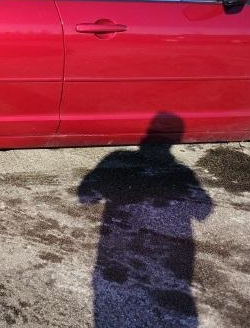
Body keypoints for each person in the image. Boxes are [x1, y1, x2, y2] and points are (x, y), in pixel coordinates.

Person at [78, 112, 212, 327]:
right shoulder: (183, 172)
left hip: (120, 250)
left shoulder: (117, 156)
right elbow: (203, 211)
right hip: (169, 258)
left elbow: (85, 196)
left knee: (114, 306)